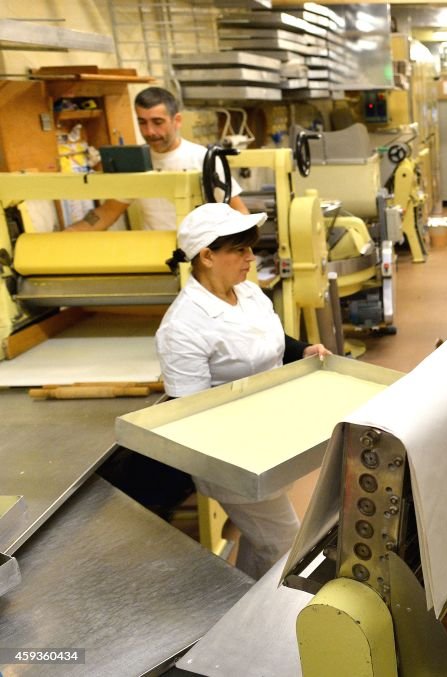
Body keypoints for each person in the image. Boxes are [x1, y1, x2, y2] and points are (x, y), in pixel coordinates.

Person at [156, 202, 330, 579]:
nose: (251, 258)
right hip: (233, 458)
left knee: (260, 539)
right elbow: (191, 413)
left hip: (273, 437)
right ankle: (274, 627)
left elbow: (269, 339)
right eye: (240, 250)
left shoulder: (247, 293)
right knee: (287, 544)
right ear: (206, 256)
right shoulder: (183, 327)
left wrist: (303, 351)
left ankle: (246, 601)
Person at [67, 86, 247, 232]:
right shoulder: (136, 163)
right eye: (142, 123)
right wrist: (69, 234)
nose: (150, 132)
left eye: (158, 122)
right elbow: (107, 213)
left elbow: (238, 211)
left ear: (177, 120)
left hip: (202, 256)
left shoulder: (203, 159)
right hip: (158, 255)